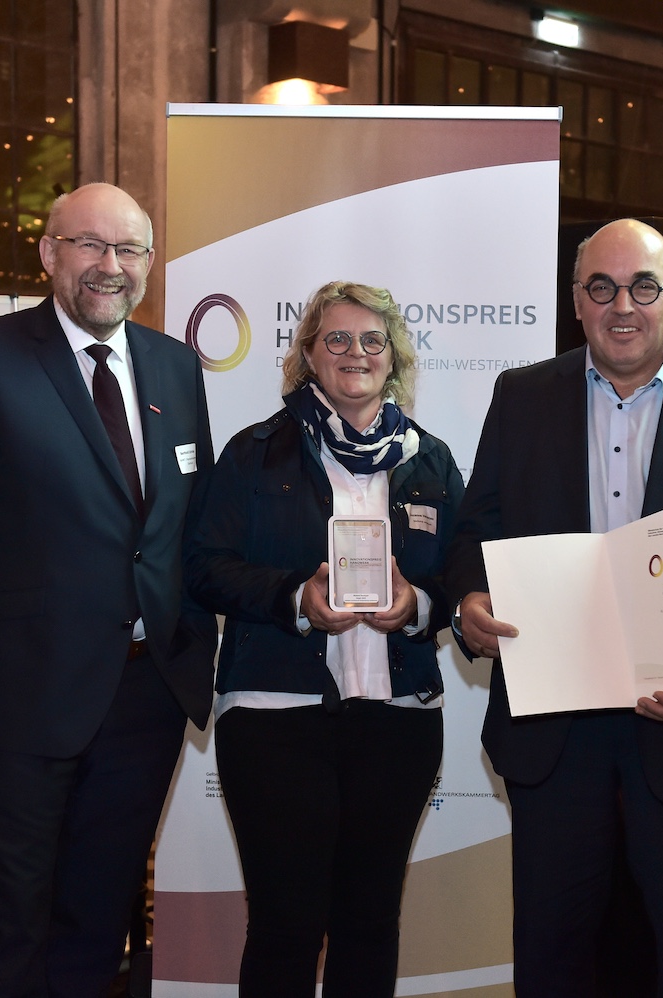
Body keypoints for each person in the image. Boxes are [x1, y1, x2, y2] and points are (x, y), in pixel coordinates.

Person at [447, 219, 663, 997]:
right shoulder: (523, 394)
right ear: (577, 301)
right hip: (555, 731)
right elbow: (477, 529)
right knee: (550, 949)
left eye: (644, 286)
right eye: (601, 288)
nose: (623, 306)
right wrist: (468, 600)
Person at [0, 182, 217, 997]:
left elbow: (185, 528)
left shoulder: (175, 366)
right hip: (17, 708)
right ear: (49, 254)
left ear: (149, 264)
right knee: (10, 928)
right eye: (89, 245)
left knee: (98, 922)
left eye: (129, 251)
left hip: (144, 700)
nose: (109, 267)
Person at [185, 281, 465, 997]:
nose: (355, 353)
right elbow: (204, 567)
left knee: (370, 921)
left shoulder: (430, 461)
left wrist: (418, 606)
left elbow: (466, 583)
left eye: (373, 340)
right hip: (276, 719)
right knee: (285, 925)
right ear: (308, 354)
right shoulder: (255, 453)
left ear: (394, 357)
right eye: (336, 339)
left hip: (397, 721)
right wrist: (295, 598)